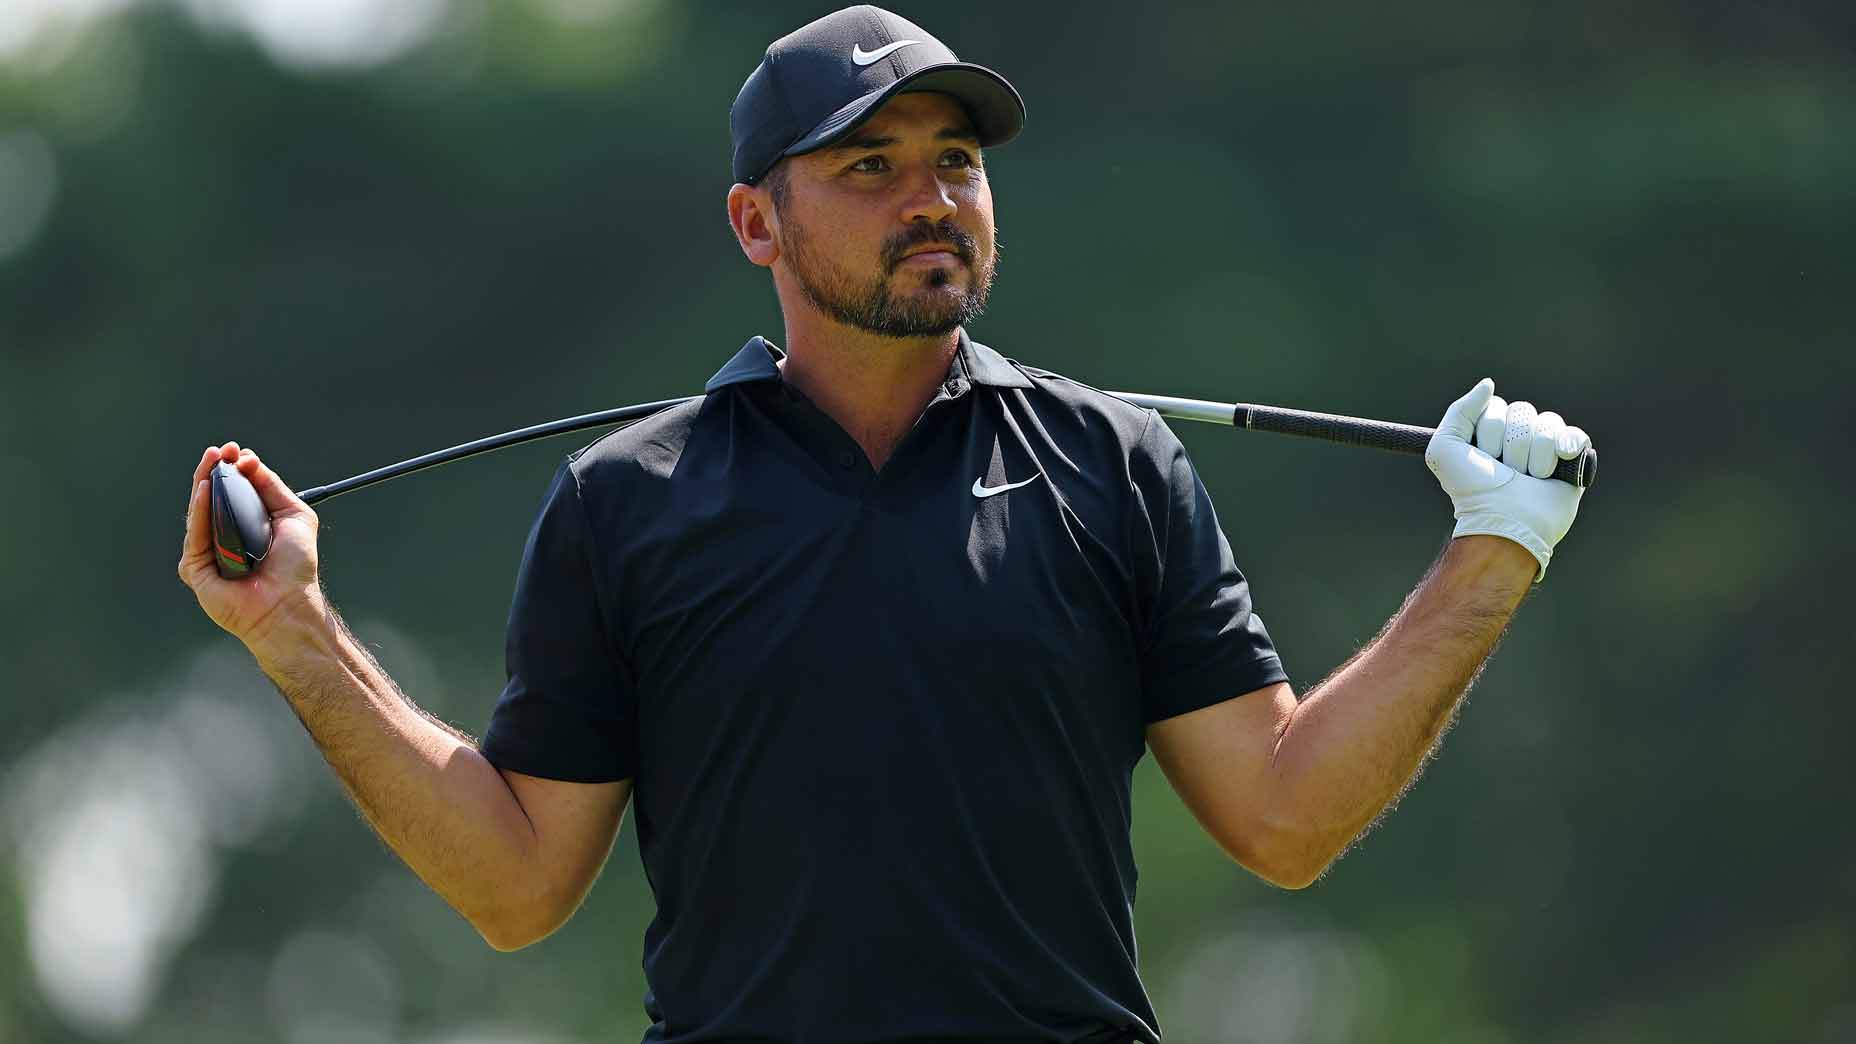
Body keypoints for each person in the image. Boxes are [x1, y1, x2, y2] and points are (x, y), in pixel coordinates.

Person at [178, 6, 1593, 1043]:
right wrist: (295, 633)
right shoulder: (630, 503)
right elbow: (515, 883)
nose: (932, 198)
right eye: (867, 167)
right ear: (756, 223)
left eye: (956, 160)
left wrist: (1492, 556)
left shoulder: (1112, 463)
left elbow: (1283, 815)